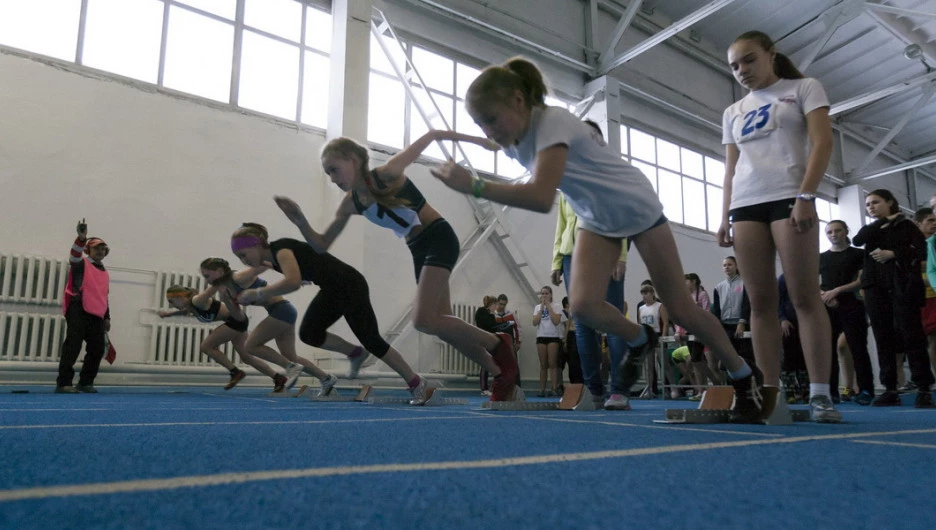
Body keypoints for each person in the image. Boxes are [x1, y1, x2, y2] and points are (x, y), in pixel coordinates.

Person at [430, 56, 763, 422]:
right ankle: (640, 339)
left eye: (491, 120)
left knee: (682, 307)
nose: (489, 131)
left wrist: (474, 185)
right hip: (595, 218)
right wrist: (456, 136)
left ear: (518, 101)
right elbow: (497, 144)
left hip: (636, 207)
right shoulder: (514, 136)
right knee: (585, 306)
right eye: (480, 124)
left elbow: (541, 197)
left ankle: (745, 376)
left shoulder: (552, 123)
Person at [274, 134, 520, 402]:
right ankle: (501, 375)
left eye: (334, 169)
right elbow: (321, 244)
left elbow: (433, 135)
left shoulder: (387, 174)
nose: (332, 178)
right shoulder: (350, 203)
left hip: (437, 236)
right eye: (327, 173)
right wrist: (300, 221)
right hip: (418, 249)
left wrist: (481, 143)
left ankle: (498, 343)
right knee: (443, 326)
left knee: (424, 320)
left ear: (353, 159)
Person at [718, 30, 839, 422]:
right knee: (761, 303)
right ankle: (770, 391)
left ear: (771, 55)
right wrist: (723, 215)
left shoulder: (804, 88)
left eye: (749, 60)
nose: (742, 70)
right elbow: (730, 169)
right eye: (734, 66)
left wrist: (806, 196)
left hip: (790, 197)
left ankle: (820, 393)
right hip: (746, 205)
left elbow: (822, 144)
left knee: (805, 297)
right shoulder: (732, 112)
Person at [229, 222, 434, 405]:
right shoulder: (271, 260)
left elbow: (292, 282)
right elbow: (296, 274)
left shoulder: (281, 249)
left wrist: (258, 292)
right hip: (332, 289)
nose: (243, 260)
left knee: (371, 339)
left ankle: (417, 383)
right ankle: (355, 353)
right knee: (309, 333)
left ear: (257, 244)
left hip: (349, 284)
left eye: (243, 255)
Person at [551, 118, 630, 409]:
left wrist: (620, 255)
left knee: (613, 323)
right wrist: (557, 260)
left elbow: (622, 215)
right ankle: (593, 390)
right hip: (573, 255)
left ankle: (619, 390)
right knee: (583, 325)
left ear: (598, 140)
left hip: (606, 249)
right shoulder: (565, 179)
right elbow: (561, 225)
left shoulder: (612, 173)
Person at [200, 254, 335, 395]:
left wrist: (297, 276)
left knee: (250, 346)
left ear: (220, 271)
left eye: (207, 276)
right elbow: (239, 317)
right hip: (283, 311)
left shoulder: (238, 277)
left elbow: (266, 264)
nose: (207, 280)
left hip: (281, 310)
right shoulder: (227, 290)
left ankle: (291, 367)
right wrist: (227, 301)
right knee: (291, 356)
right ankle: (326, 378)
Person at [853, 190, 934, 407]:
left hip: (902, 287)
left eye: (876, 202)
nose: (870, 207)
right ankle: (890, 388)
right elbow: (858, 240)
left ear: (890, 202)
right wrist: (881, 222)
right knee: (883, 338)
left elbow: (921, 251)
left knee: (912, 336)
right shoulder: (872, 229)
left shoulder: (907, 226)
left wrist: (895, 253)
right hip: (874, 288)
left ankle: (923, 388)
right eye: (868, 204)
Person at [159, 284, 287, 391]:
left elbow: (211, 290)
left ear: (180, 297)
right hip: (239, 321)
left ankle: (235, 372)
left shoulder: (197, 300)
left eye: (171, 301)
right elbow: (185, 311)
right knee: (246, 357)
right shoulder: (191, 306)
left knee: (206, 346)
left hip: (235, 321)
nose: (171, 305)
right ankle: (278, 377)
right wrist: (168, 314)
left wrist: (221, 280)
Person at [820, 220, 875, 406]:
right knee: (828, 350)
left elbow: (861, 280)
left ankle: (866, 389)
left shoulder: (858, 254)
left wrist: (837, 291)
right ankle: (831, 392)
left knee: (858, 348)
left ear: (846, 232)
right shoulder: (821, 258)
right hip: (828, 306)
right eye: (829, 232)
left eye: (837, 231)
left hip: (853, 305)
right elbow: (812, 281)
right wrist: (825, 295)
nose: (833, 234)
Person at [56, 219, 111, 393]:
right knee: (73, 345)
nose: (100, 251)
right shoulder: (80, 264)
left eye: (102, 249)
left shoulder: (104, 272)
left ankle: (86, 382)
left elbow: (103, 295)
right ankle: (64, 383)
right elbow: (74, 256)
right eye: (96, 248)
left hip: (96, 313)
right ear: (88, 250)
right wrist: (81, 239)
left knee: (97, 348)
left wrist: (107, 316)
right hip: (78, 308)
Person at [675, 273, 723, 396]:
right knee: (695, 361)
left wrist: (700, 330)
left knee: (697, 359)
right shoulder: (685, 297)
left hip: (701, 331)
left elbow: (706, 313)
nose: (684, 284)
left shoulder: (702, 295)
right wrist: (678, 331)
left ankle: (715, 382)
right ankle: (701, 390)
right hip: (689, 331)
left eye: (687, 281)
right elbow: (681, 316)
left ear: (694, 282)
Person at [914, 208, 936, 386]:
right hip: (923, 298)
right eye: (930, 220)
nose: (934, 224)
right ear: (918, 224)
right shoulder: (912, 244)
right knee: (929, 340)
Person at [533, 286, 566, 397]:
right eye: (542, 293)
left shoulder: (557, 306)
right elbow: (535, 322)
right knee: (543, 365)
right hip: (541, 336)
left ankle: (554, 388)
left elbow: (556, 321)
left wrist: (548, 306)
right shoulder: (537, 307)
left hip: (553, 337)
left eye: (546, 293)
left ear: (551, 294)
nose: (544, 296)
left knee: (553, 364)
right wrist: (542, 308)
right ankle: (542, 389)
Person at [560, 296, 583, 391]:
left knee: (580, 360)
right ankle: (574, 383)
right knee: (572, 362)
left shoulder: (586, 307)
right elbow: (568, 324)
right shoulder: (571, 309)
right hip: (571, 334)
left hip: (581, 334)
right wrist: (565, 340)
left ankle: (581, 383)